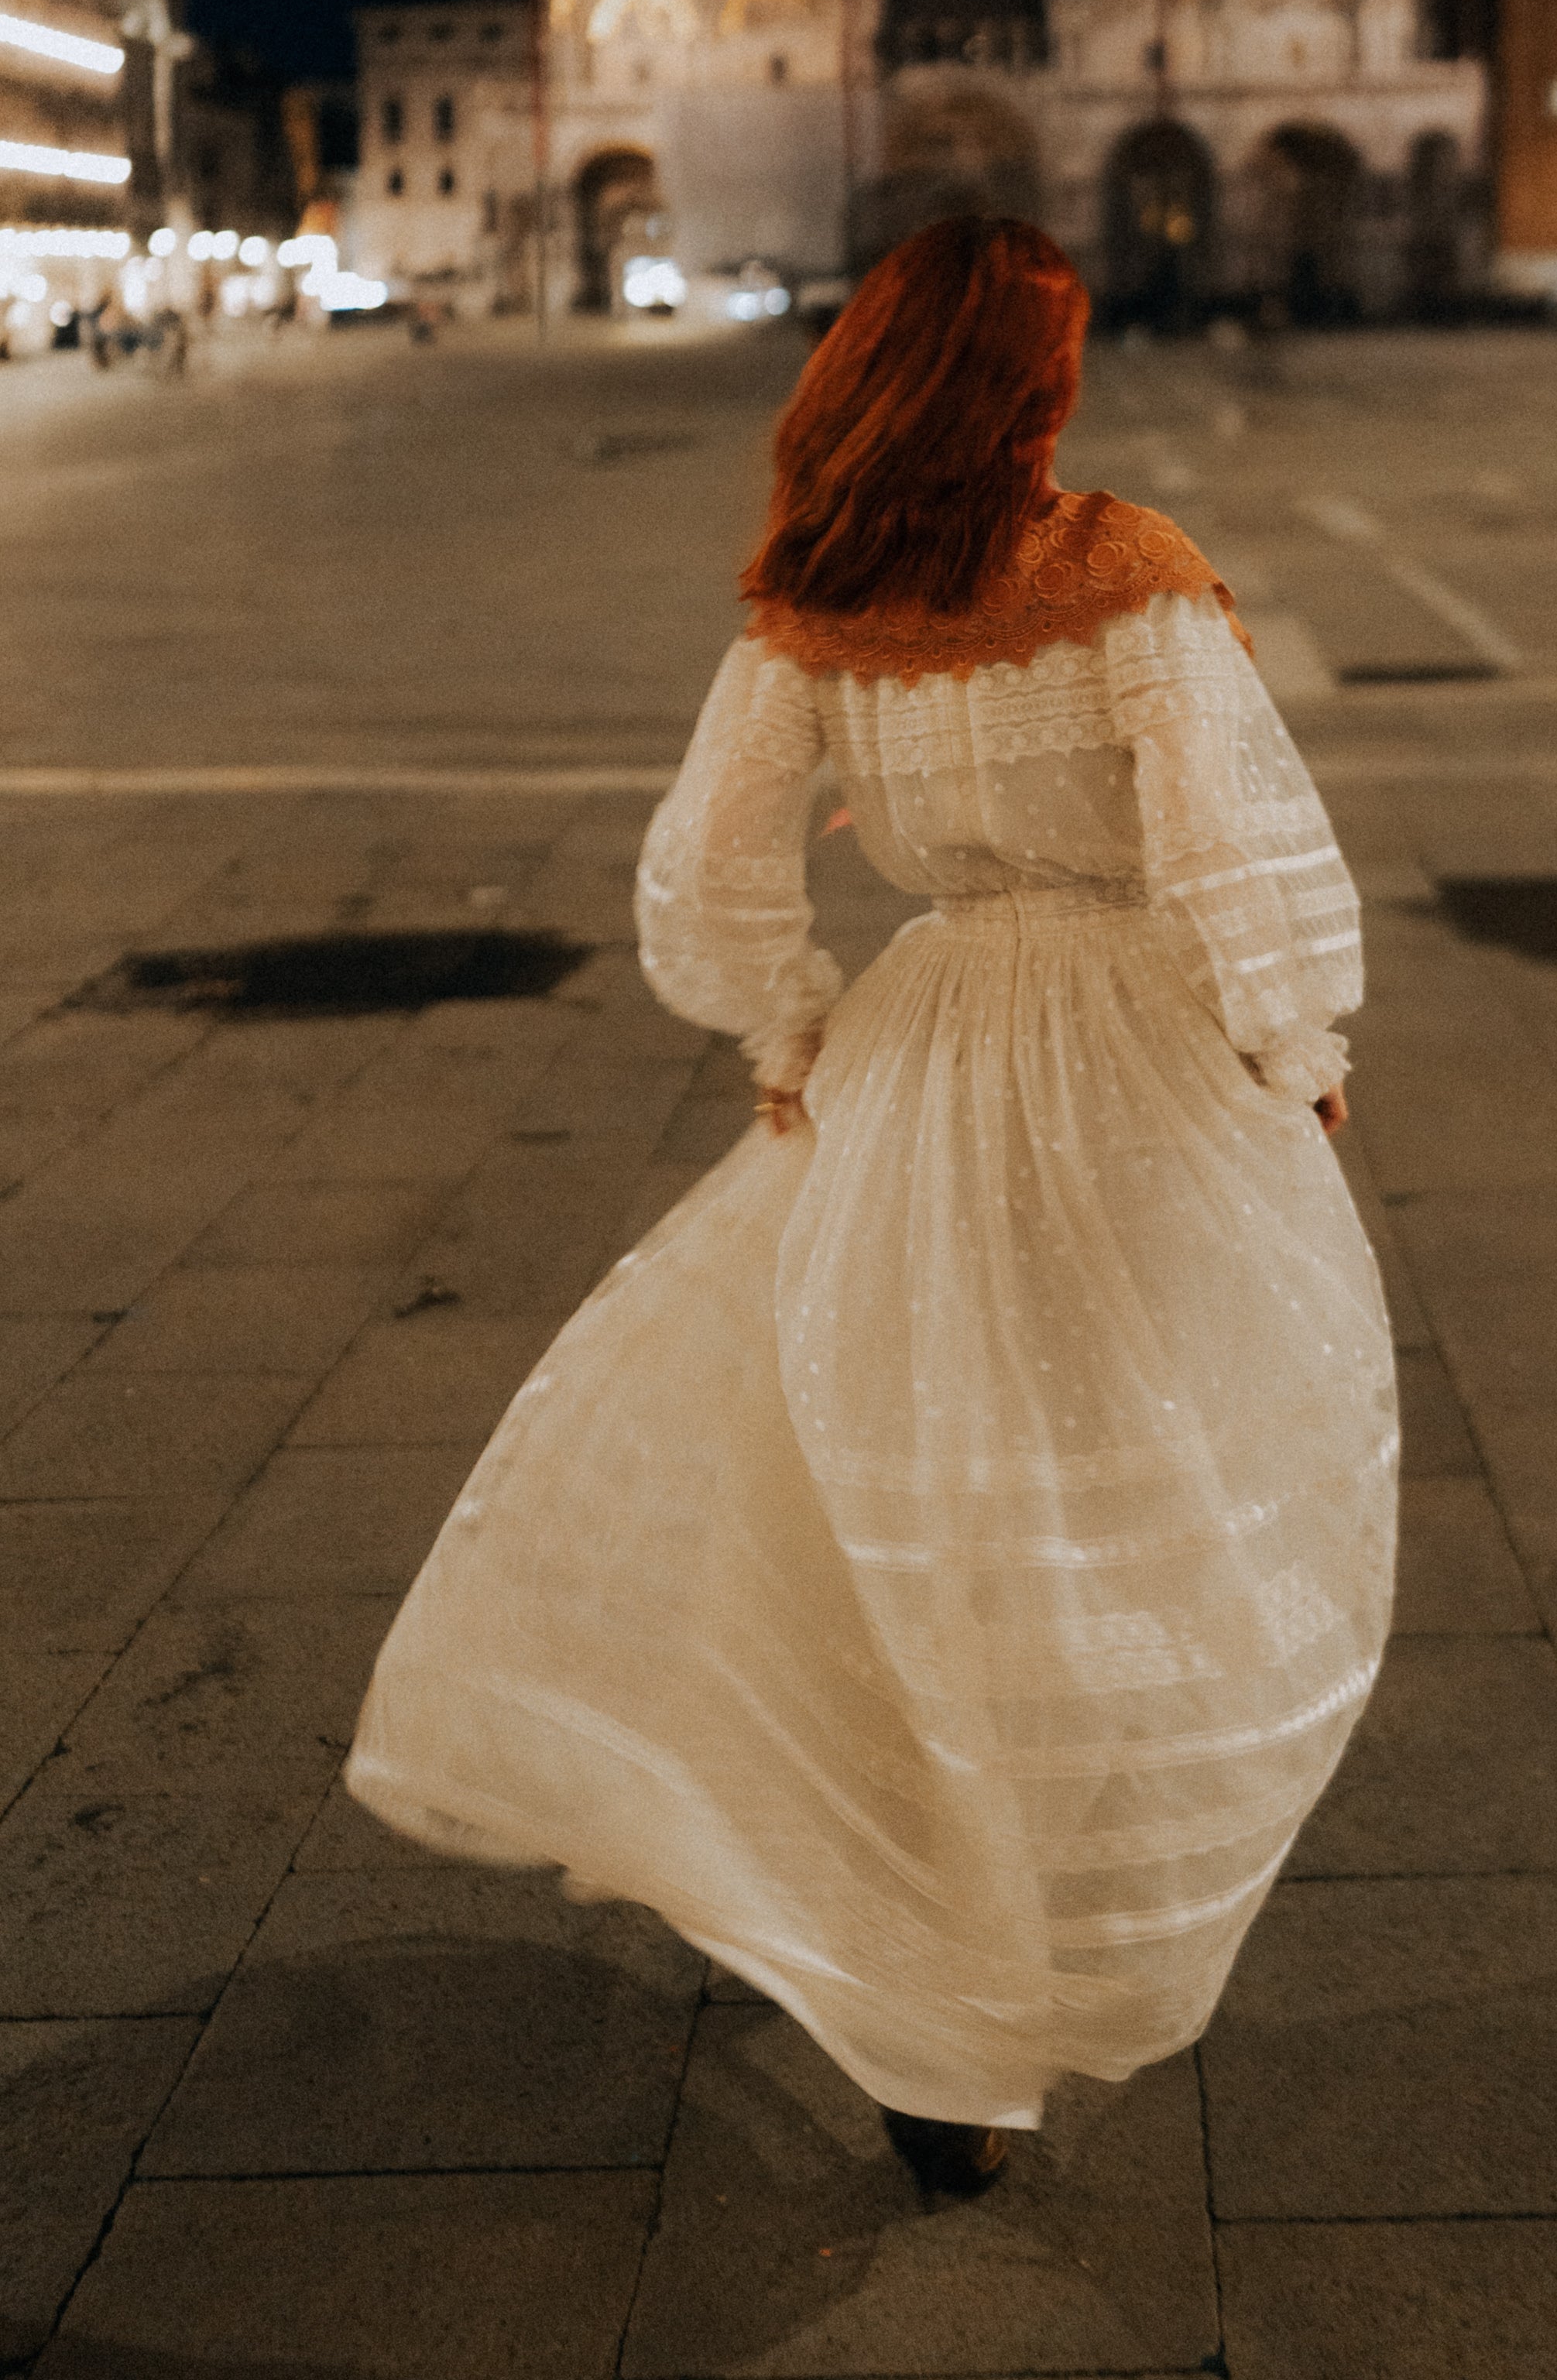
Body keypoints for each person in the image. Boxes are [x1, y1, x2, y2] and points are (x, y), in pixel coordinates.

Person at [345, 214, 1398, 2197]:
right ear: (1026, 384)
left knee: (911, 1505)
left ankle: (930, 2005)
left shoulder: (810, 602)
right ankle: (1038, 1924)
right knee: (1132, 1496)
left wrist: (787, 1032)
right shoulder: (1126, 574)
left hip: (917, 1050)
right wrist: (1295, 1049)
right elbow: (1235, 849)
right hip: (1131, 1062)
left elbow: (707, 870)